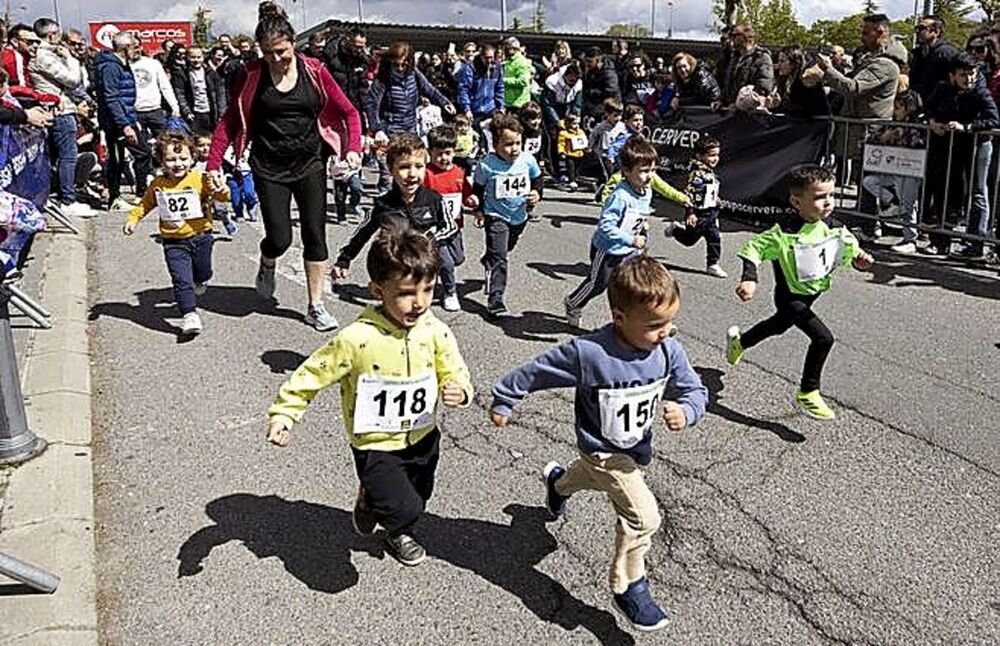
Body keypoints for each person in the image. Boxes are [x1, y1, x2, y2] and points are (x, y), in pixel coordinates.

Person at [491, 254, 707, 633]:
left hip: (632, 449)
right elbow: (538, 370)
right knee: (644, 518)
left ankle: (557, 484)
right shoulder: (590, 353)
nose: (666, 331)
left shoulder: (668, 350)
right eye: (655, 324)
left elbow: (694, 389)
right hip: (602, 450)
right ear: (620, 318)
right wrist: (506, 397)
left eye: (670, 321)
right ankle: (628, 585)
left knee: (587, 477)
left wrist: (687, 411)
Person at [266, 223, 474, 567]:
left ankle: (382, 514)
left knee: (419, 495)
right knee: (405, 507)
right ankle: (393, 518)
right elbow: (312, 374)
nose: (419, 303)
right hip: (374, 443)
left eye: (428, 290)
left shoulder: (436, 331)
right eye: (407, 293)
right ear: (378, 291)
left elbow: (455, 370)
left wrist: (460, 390)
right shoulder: (356, 339)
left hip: (422, 436)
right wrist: (285, 414)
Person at [206, 1, 362, 332]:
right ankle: (268, 261)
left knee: (315, 236)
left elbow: (349, 112)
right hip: (268, 166)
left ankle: (315, 305)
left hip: (310, 163)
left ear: (293, 42)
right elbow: (230, 120)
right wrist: (213, 164)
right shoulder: (250, 74)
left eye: (281, 51)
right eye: (268, 53)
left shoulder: (316, 71)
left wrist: (352, 149)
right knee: (279, 237)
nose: (276, 59)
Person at [726, 165, 874, 421]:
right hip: (790, 297)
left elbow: (849, 250)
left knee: (777, 326)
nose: (827, 202)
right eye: (818, 197)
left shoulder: (835, 226)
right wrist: (750, 279)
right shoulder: (783, 231)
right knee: (823, 339)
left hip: (811, 293)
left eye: (830, 195)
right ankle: (808, 391)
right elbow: (753, 250)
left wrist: (859, 260)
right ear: (796, 201)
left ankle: (740, 342)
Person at [122, 131, 229, 336]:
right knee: (181, 280)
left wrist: (220, 188)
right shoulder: (158, 185)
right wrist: (133, 219)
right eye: (171, 159)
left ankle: (201, 280)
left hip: (202, 237)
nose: (177, 163)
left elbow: (223, 196)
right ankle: (189, 314)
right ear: (162, 161)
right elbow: (145, 204)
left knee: (204, 272)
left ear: (192, 158)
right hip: (173, 242)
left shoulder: (200, 178)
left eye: (183, 158)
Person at [333, 133, 455, 296]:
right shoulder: (383, 204)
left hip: (424, 263)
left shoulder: (433, 199)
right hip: (396, 268)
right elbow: (363, 233)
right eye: (404, 167)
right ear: (391, 170)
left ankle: (446, 291)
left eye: (419, 166)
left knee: (448, 260)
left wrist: (429, 239)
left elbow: (450, 227)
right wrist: (345, 259)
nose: (412, 174)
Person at [564, 137, 656, 327]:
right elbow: (606, 227)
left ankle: (644, 321)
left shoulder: (646, 191)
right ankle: (573, 302)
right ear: (627, 171)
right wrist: (630, 239)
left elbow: (637, 214)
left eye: (653, 170)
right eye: (644, 171)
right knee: (598, 284)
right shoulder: (620, 196)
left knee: (634, 285)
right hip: (607, 250)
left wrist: (643, 224)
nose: (649, 176)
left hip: (629, 250)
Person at [922, 53, 998, 258]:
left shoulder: (981, 93)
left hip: (977, 146)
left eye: (971, 74)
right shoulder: (943, 88)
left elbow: (993, 120)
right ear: (952, 75)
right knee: (947, 191)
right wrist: (932, 122)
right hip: (950, 147)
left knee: (978, 193)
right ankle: (941, 241)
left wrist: (967, 127)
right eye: (963, 75)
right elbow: (928, 107)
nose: (968, 79)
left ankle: (975, 244)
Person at [472, 112, 542, 316]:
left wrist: (537, 193)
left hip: (519, 216)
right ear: (495, 144)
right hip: (495, 216)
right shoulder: (486, 164)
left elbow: (537, 179)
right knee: (501, 257)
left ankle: (489, 259)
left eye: (518, 143)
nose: (514, 150)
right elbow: (478, 189)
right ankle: (496, 298)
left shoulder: (527, 160)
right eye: (508, 144)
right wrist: (478, 210)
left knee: (506, 248)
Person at [365, 40, 455, 193]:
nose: (400, 68)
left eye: (403, 65)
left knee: (411, 169)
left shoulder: (414, 74)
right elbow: (371, 105)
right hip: (390, 130)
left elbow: (429, 90)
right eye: (396, 65)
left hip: (410, 128)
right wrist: (377, 129)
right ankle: (385, 209)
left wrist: (444, 102)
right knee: (390, 173)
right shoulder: (383, 79)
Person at [28, 17, 94, 218]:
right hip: (60, 112)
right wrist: (71, 59)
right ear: (51, 35)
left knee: (62, 157)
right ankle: (67, 199)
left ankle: (62, 194)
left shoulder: (50, 54)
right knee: (68, 156)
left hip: (65, 109)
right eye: (58, 34)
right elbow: (73, 80)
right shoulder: (43, 56)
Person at [93, 31, 155, 212]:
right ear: (124, 48)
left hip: (125, 118)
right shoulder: (111, 67)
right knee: (134, 155)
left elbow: (124, 96)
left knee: (121, 159)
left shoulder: (122, 65)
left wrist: (132, 120)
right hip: (116, 123)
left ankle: (125, 195)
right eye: (135, 47)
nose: (138, 50)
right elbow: (111, 98)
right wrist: (125, 125)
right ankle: (121, 196)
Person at [861, 88, 924, 255]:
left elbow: (918, 144)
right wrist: (884, 137)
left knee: (908, 204)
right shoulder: (892, 123)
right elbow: (874, 138)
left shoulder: (918, 124)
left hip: (910, 170)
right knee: (870, 182)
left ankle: (910, 239)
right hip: (891, 169)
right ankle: (893, 201)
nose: (895, 111)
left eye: (899, 108)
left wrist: (902, 134)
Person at [424, 125, 477, 311]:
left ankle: (433, 275)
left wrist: (473, 204)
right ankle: (450, 292)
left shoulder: (459, 173)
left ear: (454, 151)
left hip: (455, 227)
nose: (444, 158)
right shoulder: (426, 174)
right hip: (434, 229)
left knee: (458, 258)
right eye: (439, 154)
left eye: (448, 153)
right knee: (446, 262)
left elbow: (466, 195)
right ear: (429, 152)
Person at [663, 136, 726, 278]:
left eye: (717, 155)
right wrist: (690, 212)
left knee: (714, 238)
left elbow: (709, 190)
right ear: (699, 156)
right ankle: (675, 229)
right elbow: (689, 194)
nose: (715, 159)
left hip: (711, 213)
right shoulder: (696, 174)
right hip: (698, 214)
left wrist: (715, 201)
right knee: (689, 240)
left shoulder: (709, 171)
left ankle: (713, 264)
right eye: (711, 155)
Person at [131, 43, 180, 149]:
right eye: (131, 47)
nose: (135, 50)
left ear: (141, 47)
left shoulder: (153, 63)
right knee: (141, 147)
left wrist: (174, 106)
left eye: (137, 47)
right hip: (135, 112)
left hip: (155, 110)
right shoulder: (124, 65)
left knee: (165, 144)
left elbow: (165, 86)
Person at [717, 24, 774, 108]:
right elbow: (727, 85)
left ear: (746, 36)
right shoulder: (735, 58)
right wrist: (720, 101)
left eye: (734, 35)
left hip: (751, 114)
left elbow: (763, 87)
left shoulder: (761, 57)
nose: (731, 38)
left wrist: (740, 104)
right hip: (730, 111)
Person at [765, 45, 829, 117]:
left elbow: (807, 110)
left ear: (794, 63)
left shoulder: (806, 81)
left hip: (811, 124)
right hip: (792, 123)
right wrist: (774, 105)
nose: (779, 65)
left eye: (782, 61)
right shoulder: (784, 80)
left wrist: (782, 104)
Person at [172, 46, 225, 133]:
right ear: (187, 57)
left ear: (203, 57)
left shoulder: (211, 73)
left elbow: (220, 93)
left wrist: (221, 112)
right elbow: (180, 94)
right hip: (194, 113)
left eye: (199, 57)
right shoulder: (181, 74)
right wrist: (186, 111)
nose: (196, 60)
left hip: (211, 113)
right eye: (193, 57)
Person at [910, 14, 961, 102]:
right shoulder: (918, 55)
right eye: (917, 28)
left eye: (922, 28)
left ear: (936, 32)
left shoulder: (947, 54)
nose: (918, 32)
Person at [455, 43, 504, 128]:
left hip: (490, 109)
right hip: (474, 110)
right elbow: (464, 90)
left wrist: (501, 107)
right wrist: (467, 109)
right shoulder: (470, 68)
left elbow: (499, 88)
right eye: (486, 58)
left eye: (491, 57)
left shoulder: (497, 68)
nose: (489, 60)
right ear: (481, 56)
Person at [588, 97, 625, 183]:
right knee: (608, 172)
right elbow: (593, 135)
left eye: (620, 115)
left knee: (618, 173)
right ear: (607, 114)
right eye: (615, 116)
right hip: (605, 153)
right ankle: (603, 187)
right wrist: (590, 147)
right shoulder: (601, 127)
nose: (618, 118)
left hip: (618, 153)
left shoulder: (622, 126)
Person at [583, 46, 621, 120]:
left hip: (608, 108)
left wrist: (592, 92)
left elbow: (611, 92)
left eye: (590, 61)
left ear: (598, 60)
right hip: (594, 105)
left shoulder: (609, 73)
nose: (587, 64)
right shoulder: (590, 71)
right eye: (586, 61)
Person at [2, 23, 39, 88]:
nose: (35, 45)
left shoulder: (26, 55)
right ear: (15, 42)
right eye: (29, 42)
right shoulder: (12, 58)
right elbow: (20, 87)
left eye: (37, 42)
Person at [502, 36, 532, 114]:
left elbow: (523, 81)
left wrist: (503, 81)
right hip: (508, 103)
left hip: (519, 104)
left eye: (506, 47)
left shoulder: (522, 62)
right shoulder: (508, 61)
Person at [556, 113, 586, 189]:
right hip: (570, 154)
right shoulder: (563, 133)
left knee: (577, 168)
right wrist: (561, 152)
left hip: (579, 154)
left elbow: (583, 141)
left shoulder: (580, 132)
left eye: (577, 124)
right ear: (568, 123)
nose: (576, 126)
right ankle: (571, 180)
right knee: (571, 168)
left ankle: (575, 178)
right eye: (574, 124)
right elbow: (561, 144)